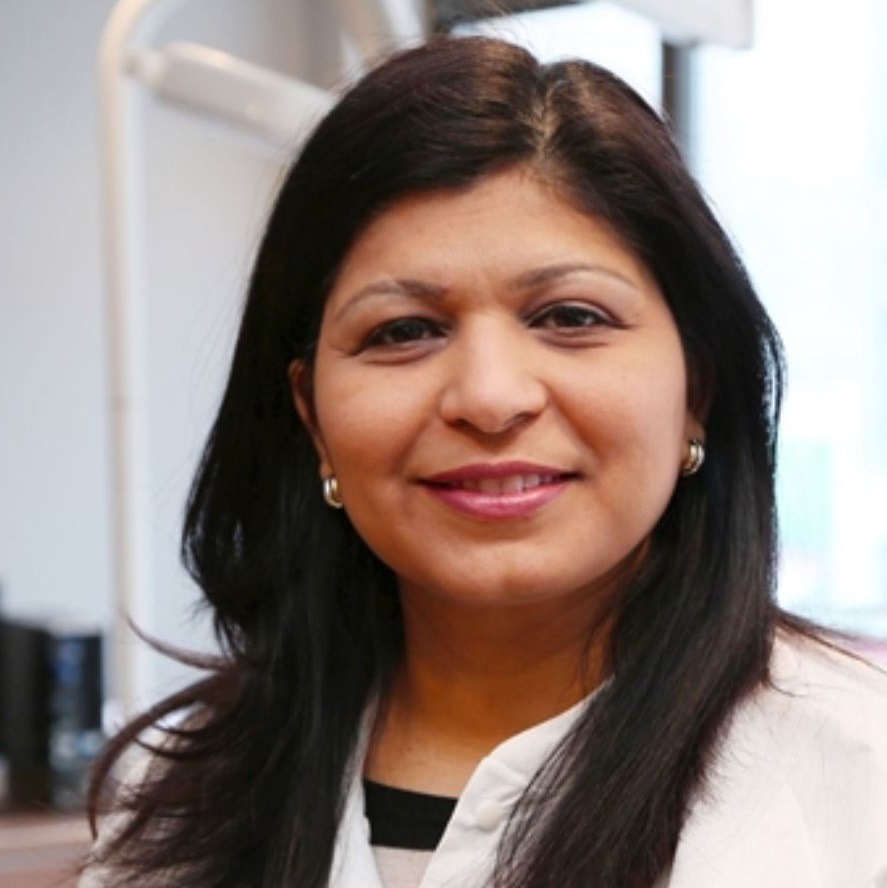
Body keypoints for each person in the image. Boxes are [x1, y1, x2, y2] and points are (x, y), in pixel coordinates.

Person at [81, 35, 887, 888]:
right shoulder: (180, 800)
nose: (490, 398)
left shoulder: (859, 779)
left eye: (570, 317)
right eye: (403, 331)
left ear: (696, 388)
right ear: (311, 416)